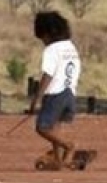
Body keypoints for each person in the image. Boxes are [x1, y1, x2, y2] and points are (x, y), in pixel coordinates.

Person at [28, 10, 82, 169]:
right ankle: (58, 160)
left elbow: (48, 75)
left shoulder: (51, 50)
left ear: (46, 34)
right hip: (70, 92)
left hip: (55, 94)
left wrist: (37, 99)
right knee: (55, 128)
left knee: (42, 127)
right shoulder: (70, 47)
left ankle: (68, 146)